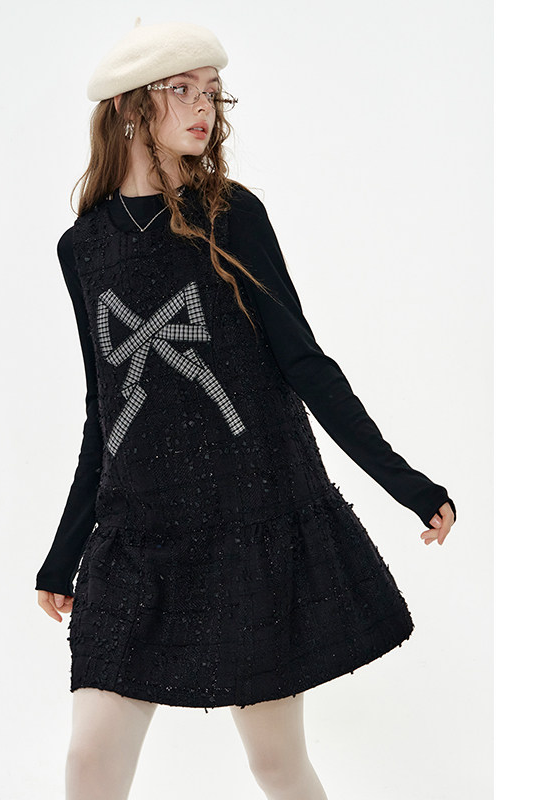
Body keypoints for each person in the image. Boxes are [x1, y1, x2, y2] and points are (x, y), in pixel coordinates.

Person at [35, 18, 457, 800]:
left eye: (211, 91)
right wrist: (65, 554)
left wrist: (406, 483)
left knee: (275, 762)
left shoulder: (232, 215)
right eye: (181, 90)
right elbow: (106, 411)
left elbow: (304, 362)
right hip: (138, 540)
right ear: (129, 106)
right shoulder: (81, 249)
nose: (204, 107)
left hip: (245, 528)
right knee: (90, 759)